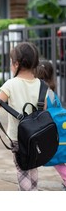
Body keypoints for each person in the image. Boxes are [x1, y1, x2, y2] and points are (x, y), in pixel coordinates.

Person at [0, 41, 43, 191]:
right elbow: (44, 113)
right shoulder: (42, 85)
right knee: (33, 168)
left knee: (22, 171)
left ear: (16, 64)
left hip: (18, 139)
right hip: (36, 138)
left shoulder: (10, 84)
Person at [35, 59, 66, 191]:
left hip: (51, 133)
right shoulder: (52, 92)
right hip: (60, 131)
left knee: (56, 159)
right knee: (60, 157)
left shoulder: (40, 92)